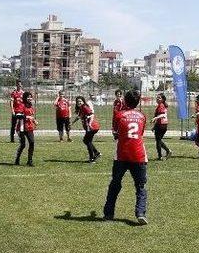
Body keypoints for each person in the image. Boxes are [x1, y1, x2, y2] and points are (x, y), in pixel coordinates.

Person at [103, 90, 149, 225]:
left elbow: (116, 134)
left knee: (115, 184)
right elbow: (140, 133)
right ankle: (140, 213)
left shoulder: (120, 115)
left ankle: (108, 213)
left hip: (122, 155)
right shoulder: (142, 116)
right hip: (138, 155)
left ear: (125, 101)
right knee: (140, 186)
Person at [72, 96, 101, 162]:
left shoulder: (84, 107)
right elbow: (79, 117)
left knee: (87, 141)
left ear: (83, 101)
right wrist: (72, 123)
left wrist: (90, 123)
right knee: (86, 141)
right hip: (90, 127)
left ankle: (92, 157)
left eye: (80, 101)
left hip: (92, 127)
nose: (79, 102)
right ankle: (96, 153)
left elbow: (91, 114)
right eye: (77, 101)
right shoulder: (81, 109)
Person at [15, 91, 37, 166]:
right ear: (25, 98)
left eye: (31, 97)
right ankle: (17, 158)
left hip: (29, 127)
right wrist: (27, 117)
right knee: (23, 145)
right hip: (21, 128)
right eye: (28, 97)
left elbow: (31, 116)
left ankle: (29, 161)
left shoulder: (30, 106)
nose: (30, 98)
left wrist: (34, 121)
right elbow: (17, 115)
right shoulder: (21, 105)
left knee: (32, 142)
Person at [151, 93, 172, 160]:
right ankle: (166, 152)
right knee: (158, 140)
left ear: (162, 99)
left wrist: (155, 118)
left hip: (161, 125)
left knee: (158, 141)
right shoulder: (161, 105)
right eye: (157, 97)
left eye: (159, 98)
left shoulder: (161, 105)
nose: (157, 99)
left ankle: (162, 154)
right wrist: (154, 126)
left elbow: (163, 115)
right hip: (162, 125)